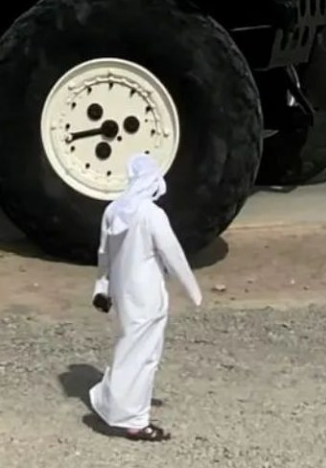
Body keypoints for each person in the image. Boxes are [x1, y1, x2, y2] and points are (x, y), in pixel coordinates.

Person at [88, 153, 203, 442]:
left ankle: (118, 406)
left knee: (131, 347)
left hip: (124, 293)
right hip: (148, 293)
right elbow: (173, 254)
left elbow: (105, 256)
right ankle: (134, 420)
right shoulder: (152, 214)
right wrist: (194, 291)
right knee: (144, 355)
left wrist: (101, 288)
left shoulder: (113, 211)